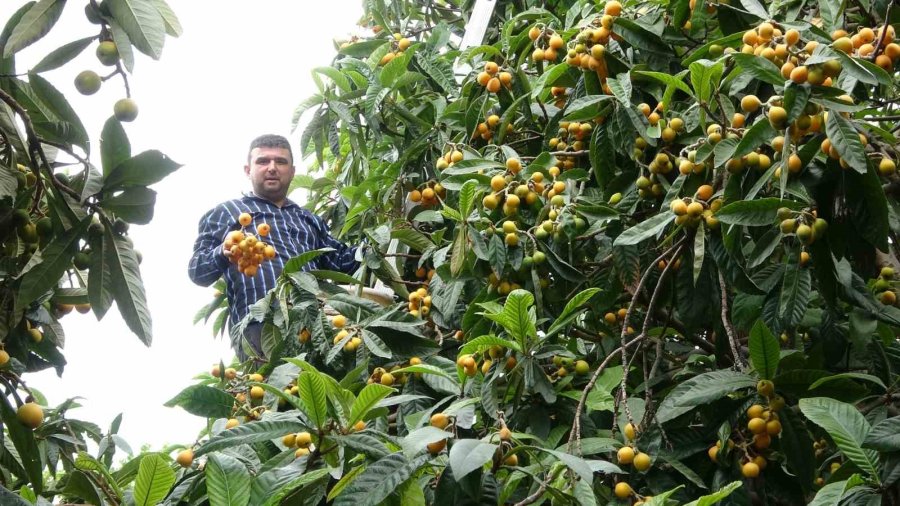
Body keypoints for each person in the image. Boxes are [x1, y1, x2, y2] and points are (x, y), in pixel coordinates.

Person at [189, 134, 360, 360]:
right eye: (262, 161)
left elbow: (343, 263)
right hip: (259, 325)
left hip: (316, 324)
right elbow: (198, 271)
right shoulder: (226, 213)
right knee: (276, 392)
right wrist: (223, 252)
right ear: (247, 170)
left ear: (292, 171)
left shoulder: (308, 219)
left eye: (280, 162)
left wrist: (381, 242)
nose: (272, 168)